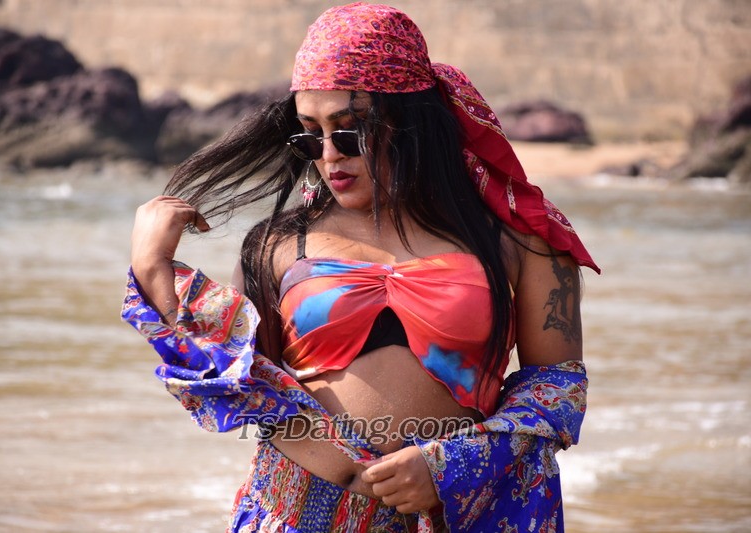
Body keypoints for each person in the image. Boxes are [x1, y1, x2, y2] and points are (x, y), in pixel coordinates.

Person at [123, 3, 599, 531]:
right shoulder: (276, 247)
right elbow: (239, 381)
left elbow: (557, 388)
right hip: (297, 514)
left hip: (454, 516)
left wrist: (451, 466)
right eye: (310, 135)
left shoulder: (519, 242)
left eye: (349, 131)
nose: (329, 155)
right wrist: (152, 268)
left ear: (410, 121)